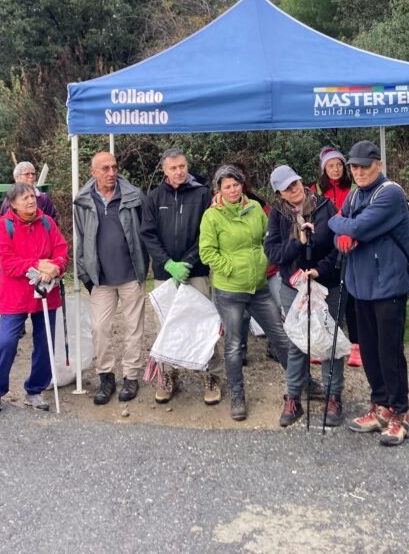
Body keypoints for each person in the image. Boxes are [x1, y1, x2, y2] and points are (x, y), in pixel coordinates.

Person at [328, 140, 409, 446]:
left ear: (379, 165)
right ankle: (379, 407)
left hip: (388, 285)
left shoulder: (390, 193)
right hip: (359, 285)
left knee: (390, 353)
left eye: (365, 166)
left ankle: (400, 414)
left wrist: (342, 226)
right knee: (369, 352)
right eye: (354, 166)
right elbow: (341, 236)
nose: (359, 171)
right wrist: (343, 235)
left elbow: (354, 226)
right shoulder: (353, 194)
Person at [199, 164, 290, 422]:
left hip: (258, 287)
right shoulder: (212, 216)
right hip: (229, 290)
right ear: (219, 189)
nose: (232, 190)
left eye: (236, 185)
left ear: (242, 186)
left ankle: (300, 384)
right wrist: (230, 268)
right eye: (227, 186)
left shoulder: (255, 210)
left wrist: (262, 262)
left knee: (280, 337)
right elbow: (207, 252)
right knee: (234, 346)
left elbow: (267, 238)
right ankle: (238, 395)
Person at [0, 183, 68, 421]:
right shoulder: (2, 226)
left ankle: (35, 390)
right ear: (13, 204)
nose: (31, 201)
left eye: (33, 196)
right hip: (16, 295)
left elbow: (61, 251)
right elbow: (8, 264)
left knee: (45, 342)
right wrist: (40, 264)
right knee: (6, 342)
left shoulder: (47, 222)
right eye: (25, 198)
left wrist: (56, 267)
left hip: (46, 293)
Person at [140, 148, 223, 405]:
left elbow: (206, 234)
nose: (179, 171)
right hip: (165, 275)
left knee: (203, 324)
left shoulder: (201, 194)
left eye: (182, 166)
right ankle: (168, 376)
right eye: (173, 168)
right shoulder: (154, 197)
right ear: (165, 170)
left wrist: (187, 263)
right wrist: (168, 264)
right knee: (166, 326)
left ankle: (212, 376)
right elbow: (148, 234)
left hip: (195, 272)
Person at [264, 165, 343, 427]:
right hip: (293, 286)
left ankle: (333, 397)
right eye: (287, 187)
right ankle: (294, 397)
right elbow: (274, 253)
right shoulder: (277, 215)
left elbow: (337, 247)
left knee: (329, 340)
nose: (294, 189)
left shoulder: (324, 207)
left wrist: (320, 270)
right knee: (297, 341)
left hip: (325, 283)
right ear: (280, 194)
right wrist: (298, 242)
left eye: (295, 183)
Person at [73, 151, 149, 405]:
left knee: (133, 329)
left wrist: (143, 267)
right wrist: (85, 274)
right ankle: (106, 376)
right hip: (100, 279)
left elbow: (146, 232)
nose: (111, 172)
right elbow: (80, 239)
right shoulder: (82, 201)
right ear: (93, 172)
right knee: (100, 329)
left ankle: (131, 376)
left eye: (114, 167)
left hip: (130, 275)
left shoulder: (134, 196)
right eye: (104, 168)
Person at [313, 146, 361, 368]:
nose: (335, 169)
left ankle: (356, 346)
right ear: (324, 169)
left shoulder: (355, 188)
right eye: (331, 166)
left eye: (339, 165)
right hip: (326, 251)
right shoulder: (315, 191)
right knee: (324, 298)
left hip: (352, 247)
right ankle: (321, 342)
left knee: (351, 296)